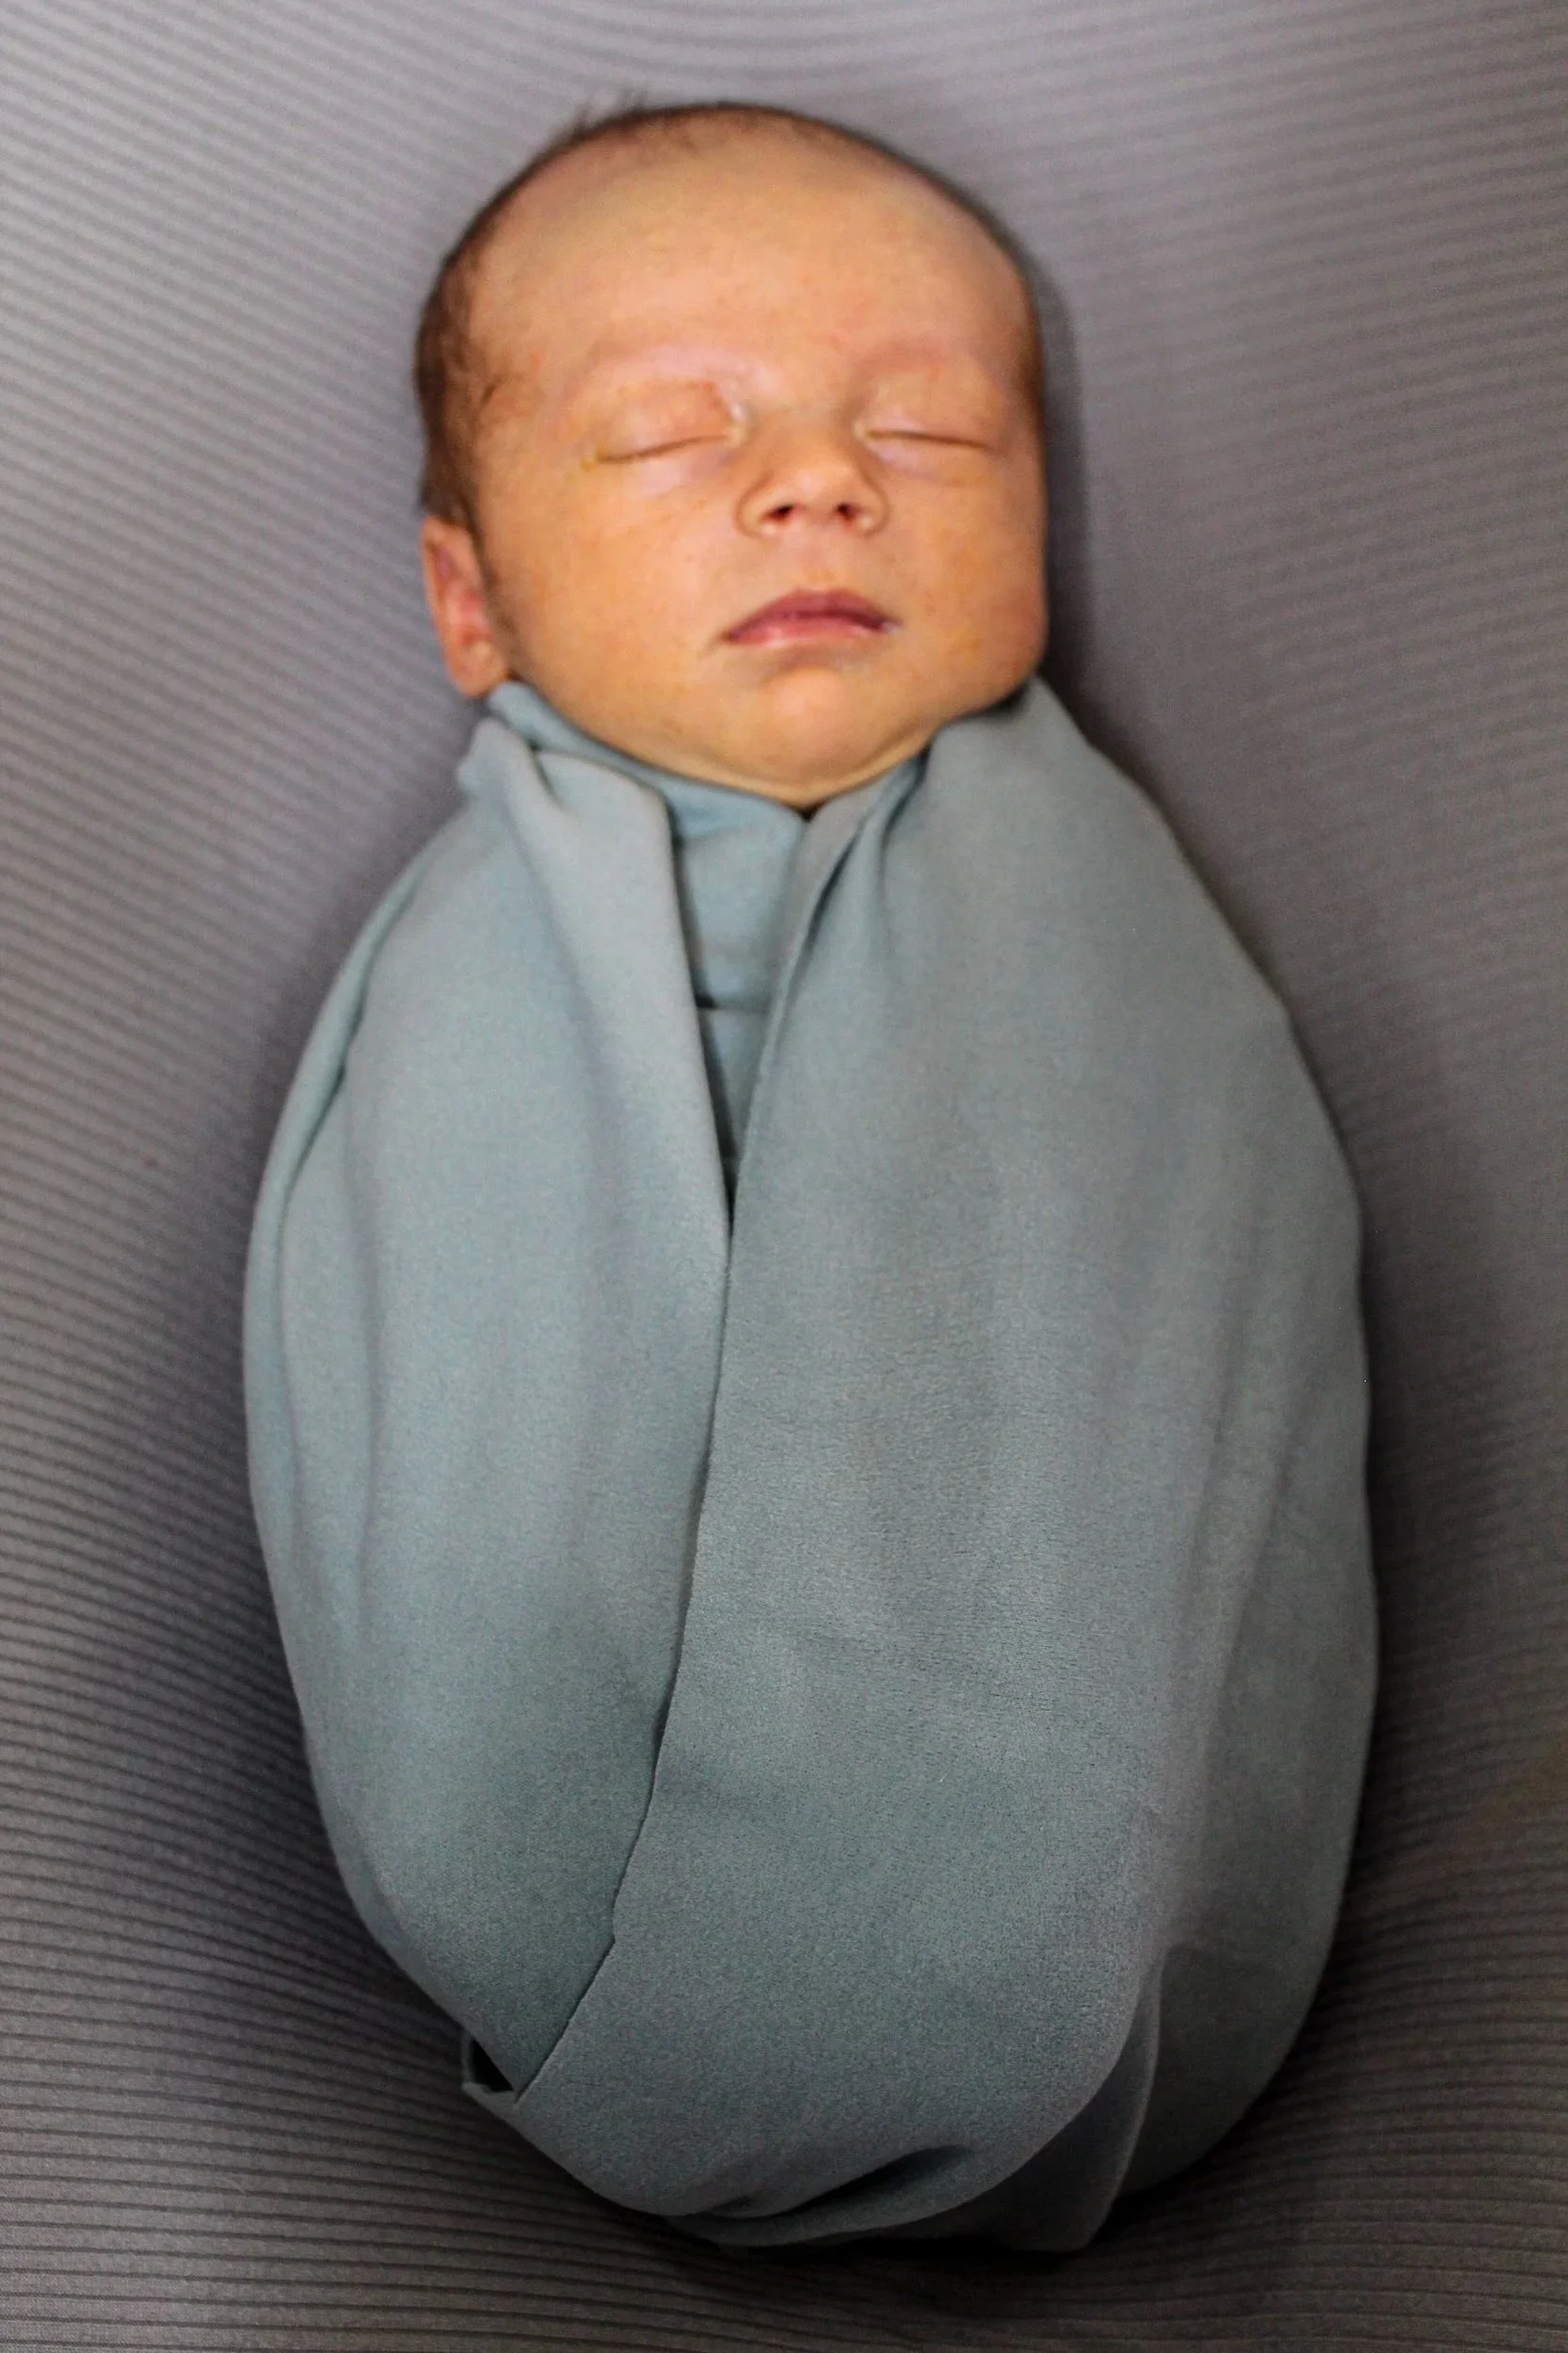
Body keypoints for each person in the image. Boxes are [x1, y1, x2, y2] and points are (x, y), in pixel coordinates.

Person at [243, 98, 1377, 2252]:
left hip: (1147, 1956)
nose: (818, 479)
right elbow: (462, 1393)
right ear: (469, 602)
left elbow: (1182, 1300)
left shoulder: (1086, 894)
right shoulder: (501, 935)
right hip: (606, 1940)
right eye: (674, 434)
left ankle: (1019, 1929)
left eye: (927, 432)